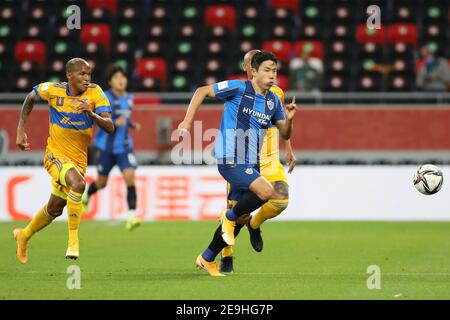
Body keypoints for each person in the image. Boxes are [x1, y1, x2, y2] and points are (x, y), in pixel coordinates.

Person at [178, 51, 297, 276]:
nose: (272, 75)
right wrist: (187, 120)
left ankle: (207, 257)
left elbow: (284, 132)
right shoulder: (238, 88)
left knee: (241, 218)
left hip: (253, 163)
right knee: (264, 193)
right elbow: (202, 91)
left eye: (274, 71)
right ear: (254, 71)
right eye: (267, 70)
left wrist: (289, 122)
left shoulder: (273, 100)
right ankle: (229, 220)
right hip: (230, 157)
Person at [13, 58, 114, 263]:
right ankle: (73, 242)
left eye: (89, 74)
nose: (87, 79)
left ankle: (24, 235)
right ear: (70, 76)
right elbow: (31, 97)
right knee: (79, 184)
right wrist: (20, 129)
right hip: (55, 156)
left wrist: (91, 114)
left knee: (55, 208)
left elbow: (110, 126)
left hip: (78, 160)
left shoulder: (95, 93)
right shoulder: (53, 90)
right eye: (82, 74)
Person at [219, 49, 297, 273]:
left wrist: (289, 149)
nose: (250, 68)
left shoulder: (276, 93)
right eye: (247, 64)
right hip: (242, 157)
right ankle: (226, 256)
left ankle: (255, 224)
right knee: (235, 212)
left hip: (270, 156)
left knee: (281, 200)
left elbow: (283, 124)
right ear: (248, 69)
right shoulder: (238, 91)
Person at [82, 65, 142, 230]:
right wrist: (115, 123)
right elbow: (99, 119)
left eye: (122, 77)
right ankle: (87, 196)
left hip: (124, 147)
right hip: (106, 148)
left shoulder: (129, 98)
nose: (120, 80)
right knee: (101, 183)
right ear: (110, 81)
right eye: (116, 77)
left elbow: (124, 117)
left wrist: (131, 124)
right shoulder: (104, 97)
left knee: (130, 177)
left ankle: (131, 216)